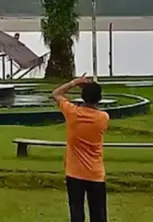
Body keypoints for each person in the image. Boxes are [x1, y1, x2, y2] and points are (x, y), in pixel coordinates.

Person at [52, 74, 109, 222]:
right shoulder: (103, 118)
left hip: (75, 172)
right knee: (99, 214)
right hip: (96, 172)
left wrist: (74, 82)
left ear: (82, 96)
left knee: (76, 212)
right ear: (99, 99)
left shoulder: (72, 113)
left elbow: (56, 94)